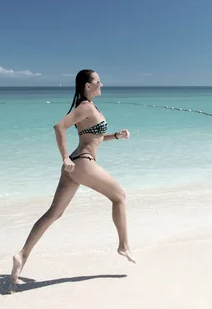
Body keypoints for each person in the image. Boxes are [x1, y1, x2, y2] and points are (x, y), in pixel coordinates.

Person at [11, 69, 135, 283]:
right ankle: (123, 246)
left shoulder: (89, 107)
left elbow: (93, 138)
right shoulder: (85, 107)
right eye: (98, 81)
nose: (102, 84)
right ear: (88, 86)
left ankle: (22, 255)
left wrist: (115, 136)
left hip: (76, 166)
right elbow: (59, 127)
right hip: (82, 163)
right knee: (120, 197)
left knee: (54, 213)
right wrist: (64, 158)